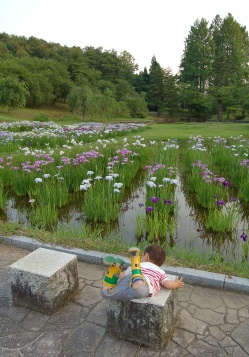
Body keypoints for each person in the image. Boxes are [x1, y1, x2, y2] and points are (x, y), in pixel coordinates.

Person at [100, 245, 184, 302]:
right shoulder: (160, 271)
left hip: (130, 277)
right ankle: (137, 278)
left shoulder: (142, 265)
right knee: (139, 290)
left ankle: (114, 270)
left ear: (146, 256)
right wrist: (177, 284)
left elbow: (123, 276)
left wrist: (119, 275)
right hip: (145, 283)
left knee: (106, 292)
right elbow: (168, 284)